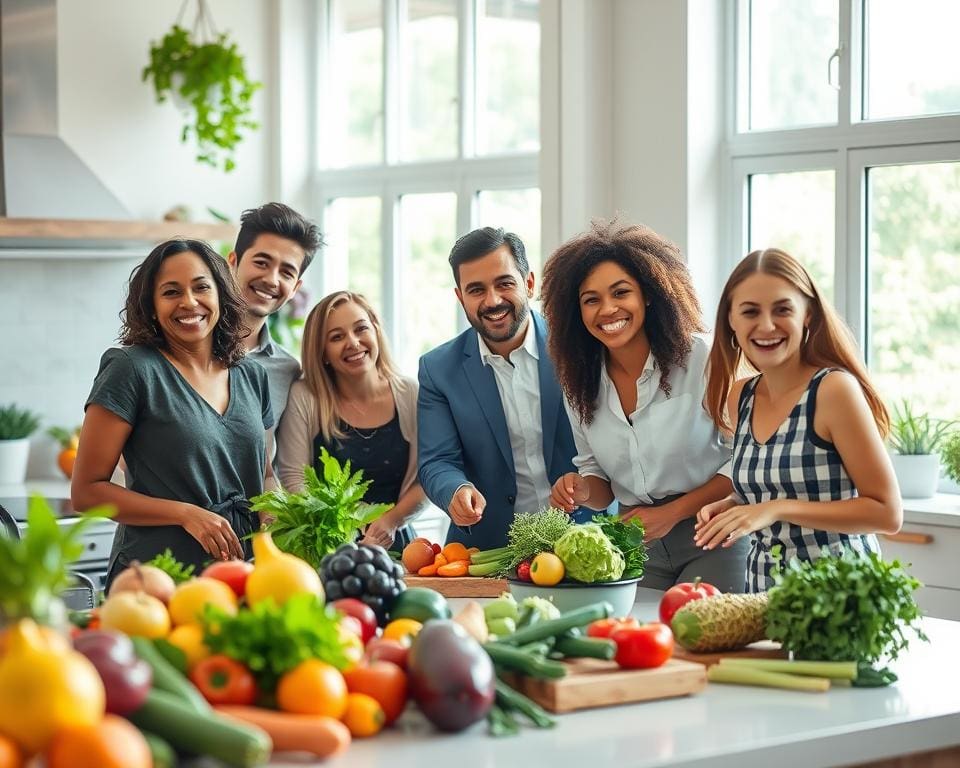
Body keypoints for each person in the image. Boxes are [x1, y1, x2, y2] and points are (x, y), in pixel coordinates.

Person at [542, 221, 747, 592]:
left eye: (621, 292)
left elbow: (743, 460)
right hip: (636, 542)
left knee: (703, 642)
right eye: (591, 300)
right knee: (634, 643)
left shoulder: (703, 358)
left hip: (714, 531)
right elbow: (597, 477)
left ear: (648, 295)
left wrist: (672, 513)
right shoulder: (578, 381)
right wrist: (580, 489)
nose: (608, 309)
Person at [695, 248, 902, 592]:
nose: (766, 325)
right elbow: (778, 487)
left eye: (782, 309)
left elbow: (887, 513)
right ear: (731, 320)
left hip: (840, 598)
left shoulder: (832, 390)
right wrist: (735, 506)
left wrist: (775, 509)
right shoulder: (740, 396)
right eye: (750, 312)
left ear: (808, 314)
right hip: (762, 594)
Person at [72, 239, 275, 588]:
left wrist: (275, 511)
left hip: (242, 576)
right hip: (155, 578)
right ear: (151, 305)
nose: (189, 302)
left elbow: (264, 473)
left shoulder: (251, 375)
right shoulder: (131, 369)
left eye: (201, 288)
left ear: (221, 295)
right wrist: (185, 514)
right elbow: (87, 493)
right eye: (170, 292)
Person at [417, 227, 579, 552]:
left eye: (504, 283)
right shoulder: (437, 369)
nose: (492, 301)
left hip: (583, 536)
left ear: (529, 283)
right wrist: (455, 489)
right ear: (460, 297)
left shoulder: (579, 347)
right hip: (487, 548)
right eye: (476, 290)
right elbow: (437, 460)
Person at [277, 291, 427, 549]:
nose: (353, 343)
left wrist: (390, 521)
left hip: (397, 543)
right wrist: (352, 520)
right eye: (336, 337)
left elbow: (426, 478)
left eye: (361, 329)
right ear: (322, 351)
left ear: (376, 331)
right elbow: (294, 480)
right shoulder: (305, 396)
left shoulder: (411, 393)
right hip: (327, 545)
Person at [228, 202, 323, 426]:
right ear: (233, 262)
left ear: (295, 289)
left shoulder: (288, 371)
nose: (272, 280)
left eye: (286, 273)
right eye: (261, 263)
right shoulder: (186, 347)